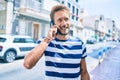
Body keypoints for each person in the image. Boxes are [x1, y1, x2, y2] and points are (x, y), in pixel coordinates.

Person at [23, 4, 90, 80]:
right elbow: (27, 64)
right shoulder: (45, 42)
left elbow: (84, 72)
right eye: (60, 20)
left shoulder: (80, 44)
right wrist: (48, 39)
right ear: (52, 24)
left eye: (66, 19)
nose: (64, 24)